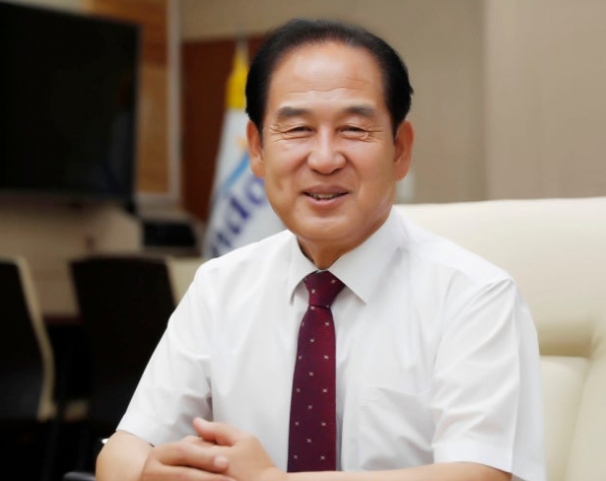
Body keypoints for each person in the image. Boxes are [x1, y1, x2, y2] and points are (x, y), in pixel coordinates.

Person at [96, 18, 545, 481]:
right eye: (297, 129)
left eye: (353, 129)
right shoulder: (220, 287)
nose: (325, 159)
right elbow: (123, 450)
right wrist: (147, 474)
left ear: (400, 150)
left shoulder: (473, 296)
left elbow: (479, 474)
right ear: (256, 149)